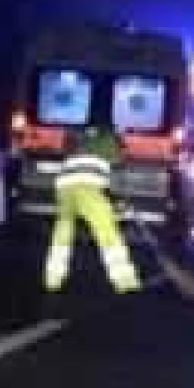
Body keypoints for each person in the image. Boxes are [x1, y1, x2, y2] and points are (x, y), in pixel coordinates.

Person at [45, 125, 142, 295]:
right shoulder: (111, 138)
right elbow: (117, 162)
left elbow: (66, 149)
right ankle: (126, 283)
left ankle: (53, 280)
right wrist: (117, 202)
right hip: (88, 183)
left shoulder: (80, 134)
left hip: (63, 183)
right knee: (107, 231)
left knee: (63, 230)